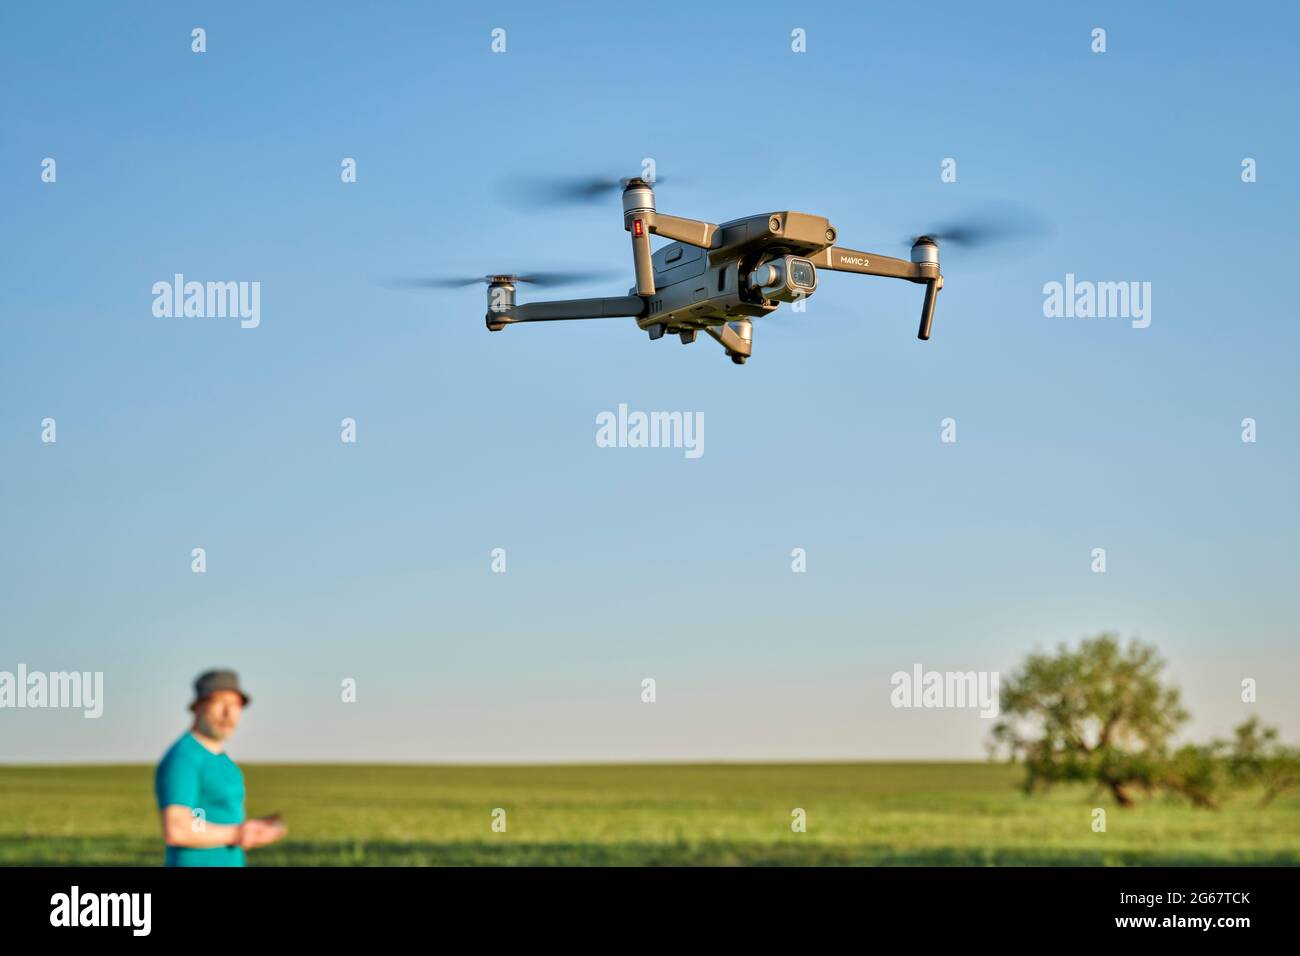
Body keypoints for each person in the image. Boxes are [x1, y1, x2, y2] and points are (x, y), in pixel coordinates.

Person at [154, 669, 286, 866]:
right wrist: (238, 833)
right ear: (197, 706)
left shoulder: (222, 761)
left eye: (235, 704)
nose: (228, 713)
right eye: (220, 702)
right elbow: (178, 829)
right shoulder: (185, 757)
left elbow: (203, 822)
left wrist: (250, 832)